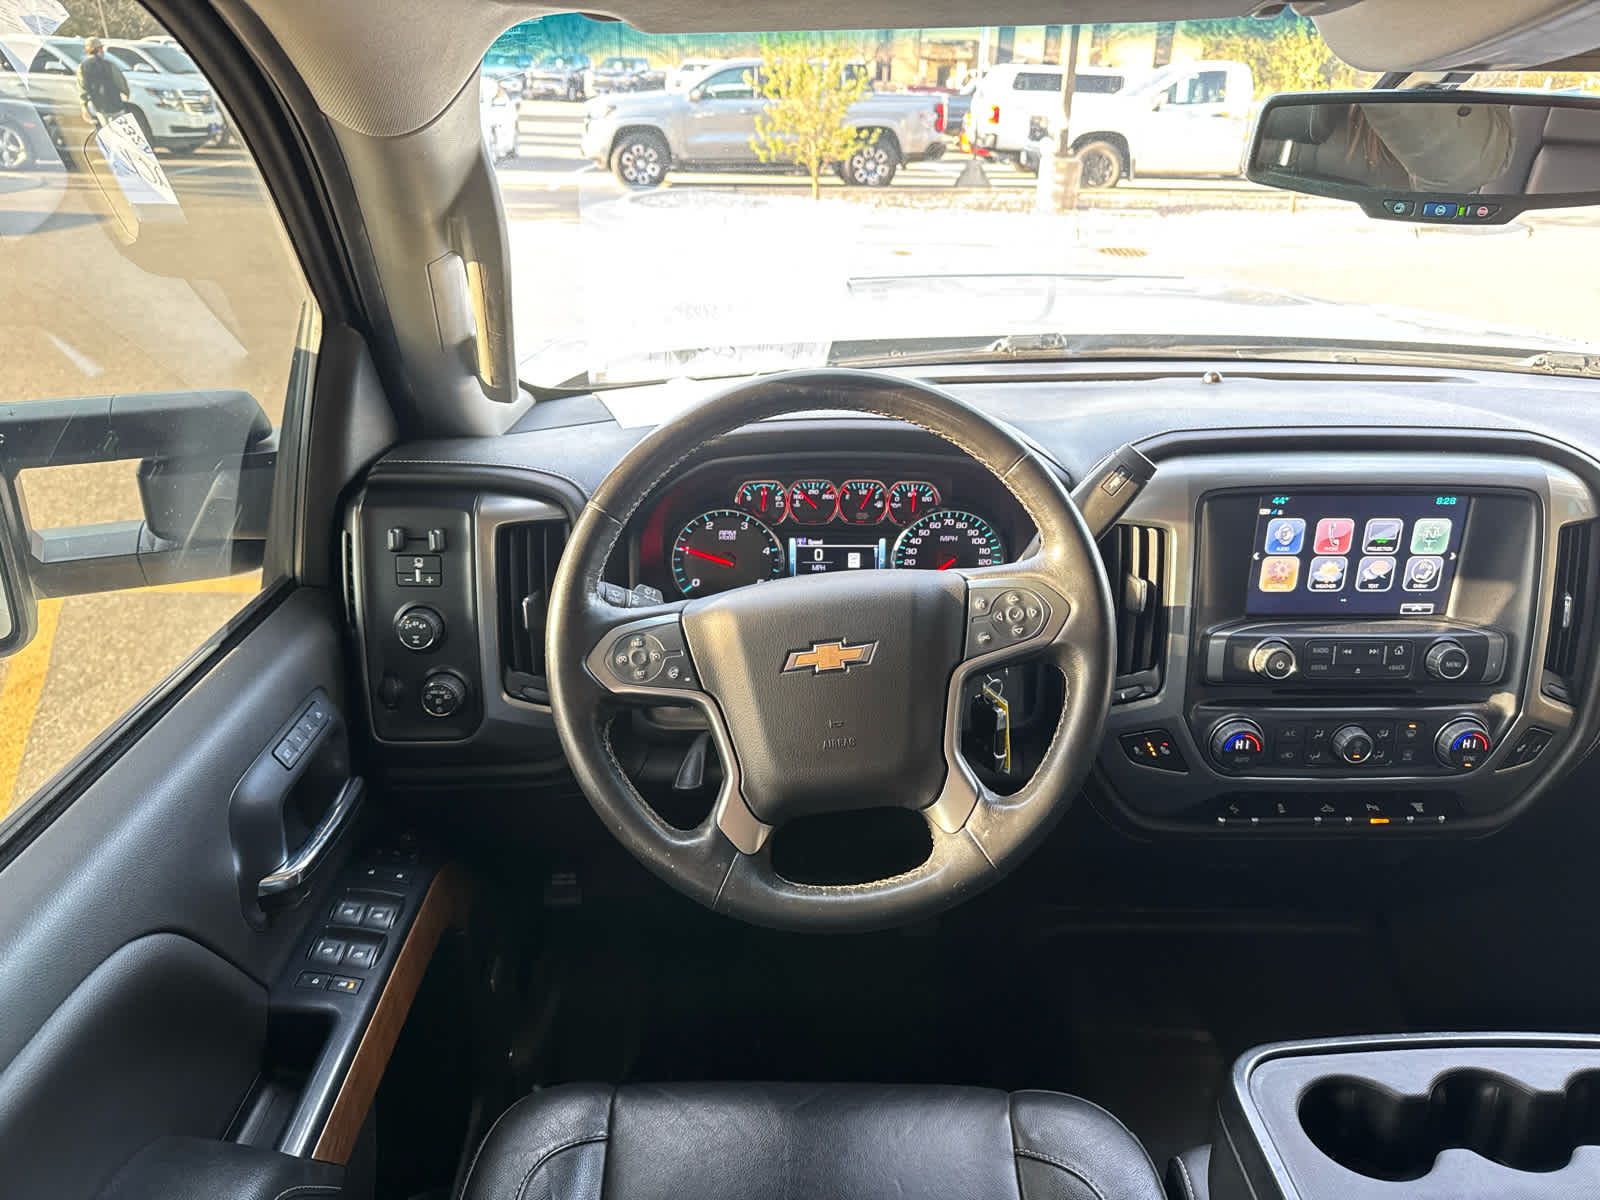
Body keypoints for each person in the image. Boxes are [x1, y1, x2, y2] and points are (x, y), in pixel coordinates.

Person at [76, 36, 130, 129]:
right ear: (99, 49)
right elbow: (120, 81)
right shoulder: (109, 64)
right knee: (122, 130)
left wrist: (84, 106)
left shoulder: (82, 67)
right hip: (115, 103)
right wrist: (126, 92)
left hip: (99, 106)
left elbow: (82, 89)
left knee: (108, 131)